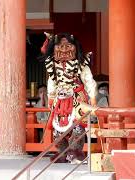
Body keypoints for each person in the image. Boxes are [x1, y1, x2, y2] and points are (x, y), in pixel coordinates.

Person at [41, 33, 97, 164]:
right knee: (57, 131)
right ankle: (63, 152)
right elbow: (51, 82)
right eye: (60, 46)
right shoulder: (53, 66)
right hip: (59, 100)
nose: (64, 49)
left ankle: (76, 152)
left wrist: (93, 97)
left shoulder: (81, 64)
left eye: (68, 46)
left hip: (77, 98)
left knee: (78, 127)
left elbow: (89, 81)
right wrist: (51, 96)